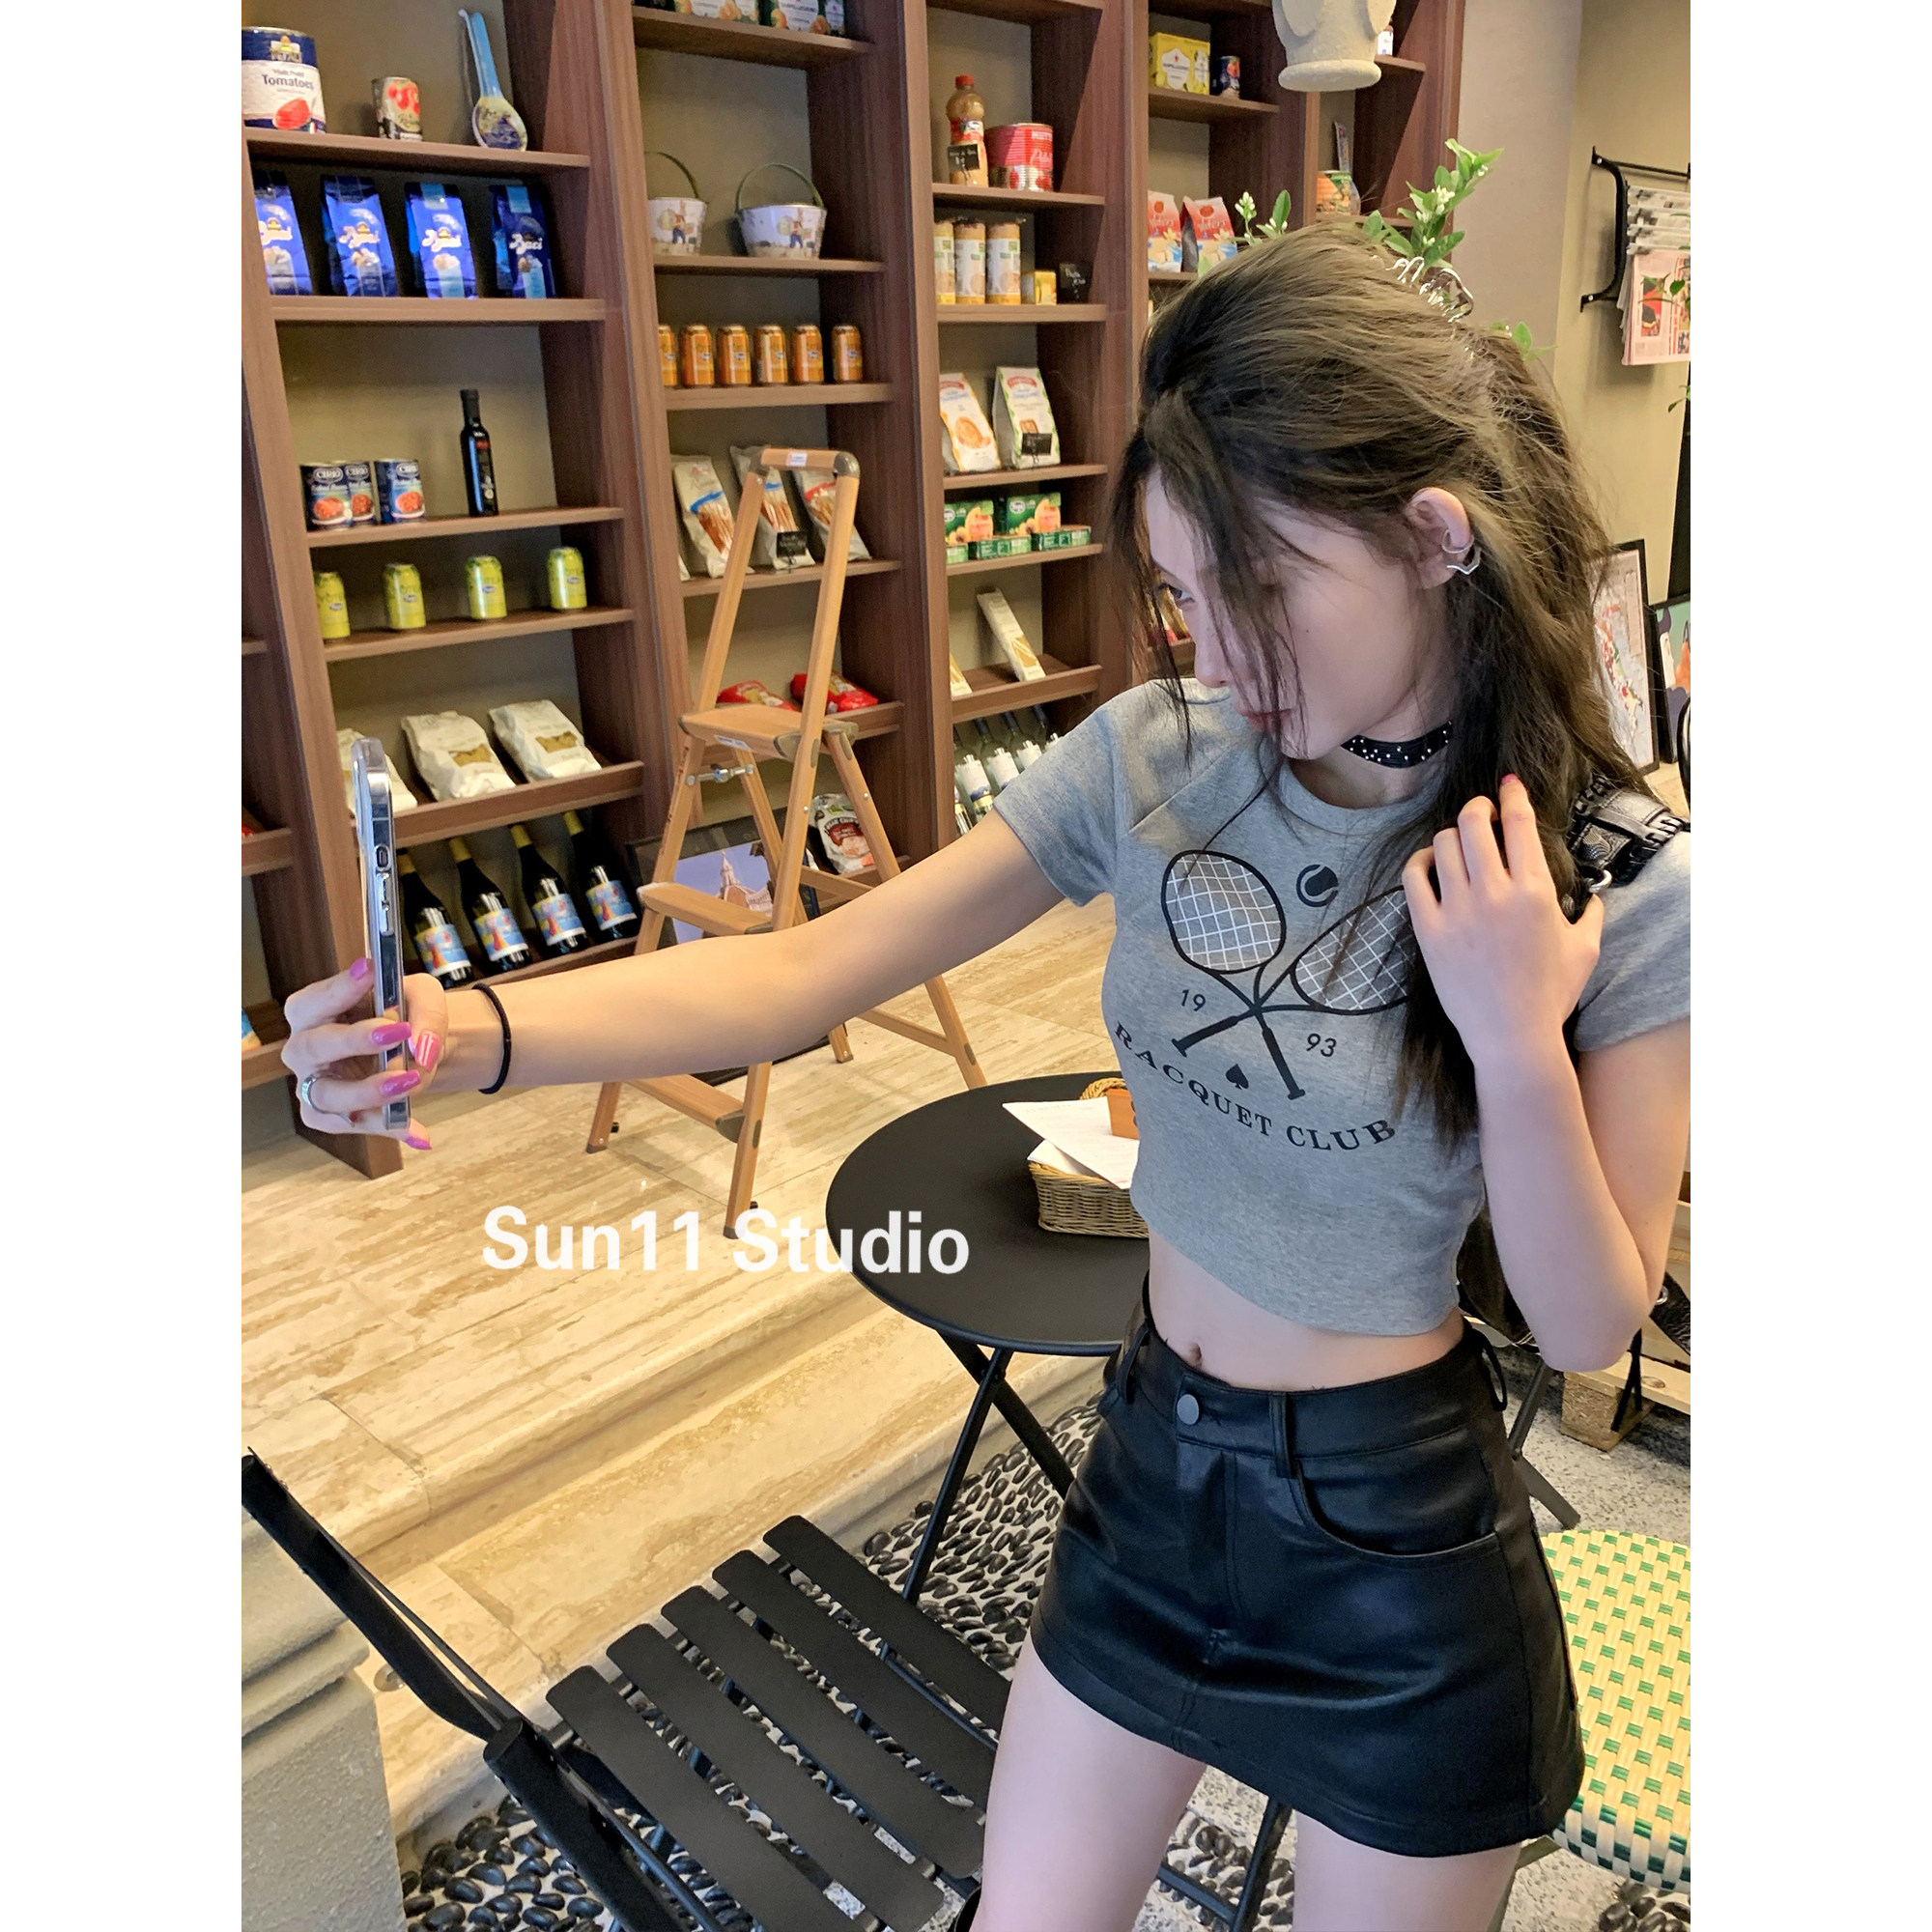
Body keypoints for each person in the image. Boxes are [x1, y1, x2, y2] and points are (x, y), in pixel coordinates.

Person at [278, 228, 1690, 1932]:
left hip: (1397, 1549)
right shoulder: (1160, 756)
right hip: (1151, 1461)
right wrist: (473, 1033)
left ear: (1437, 537)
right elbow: (802, 972)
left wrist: (1517, 1038)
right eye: (1181, 600)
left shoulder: (1615, 878)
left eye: (1253, 596)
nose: (1214, 659)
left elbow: (1589, 1324)